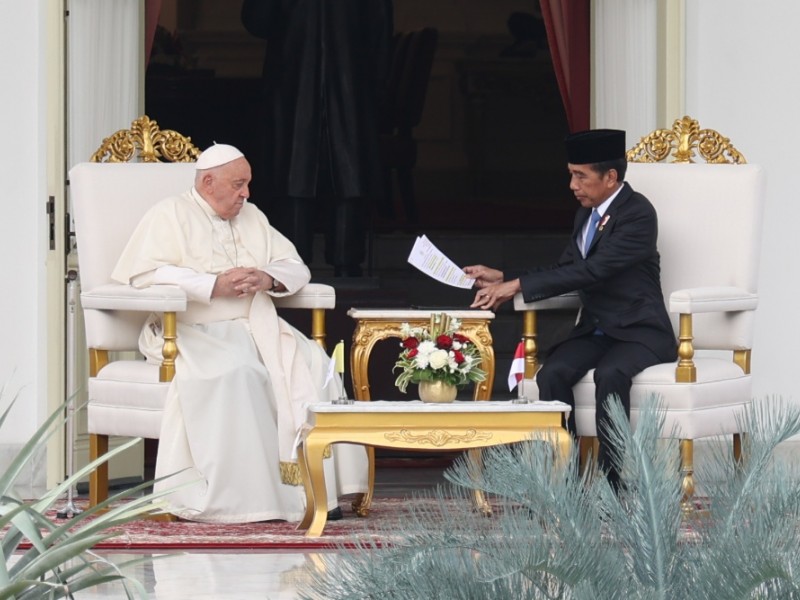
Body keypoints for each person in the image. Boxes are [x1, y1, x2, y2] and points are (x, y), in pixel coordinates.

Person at [112, 143, 367, 523]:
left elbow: (295, 266)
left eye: (247, 185)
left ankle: (315, 495)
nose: (245, 194)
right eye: (238, 185)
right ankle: (247, 501)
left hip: (257, 324)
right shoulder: (169, 214)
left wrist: (266, 277)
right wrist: (211, 284)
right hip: (191, 329)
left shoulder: (252, 216)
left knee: (316, 367)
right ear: (208, 181)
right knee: (239, 372)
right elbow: (147, 274)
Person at [464, 129, 677, 490]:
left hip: (640, 332)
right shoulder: (586, 215)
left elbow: (592, 270)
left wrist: (515, 286)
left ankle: (614, 485)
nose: (572, 185)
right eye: (571, 174)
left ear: (610, 177)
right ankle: (569, 482)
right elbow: (566, 267)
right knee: (553, 374)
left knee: (611, 375)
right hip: (598, 330)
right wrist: (505, 275)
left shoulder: (638, 214)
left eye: (580, 175)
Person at [241, 0, 394, 277]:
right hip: (347, 83)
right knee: (346, 174)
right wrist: (376, 95)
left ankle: (294, 265)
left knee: (296, 172)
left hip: (296, 81)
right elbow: (380, 32)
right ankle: (343, 264)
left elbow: (258, 21)